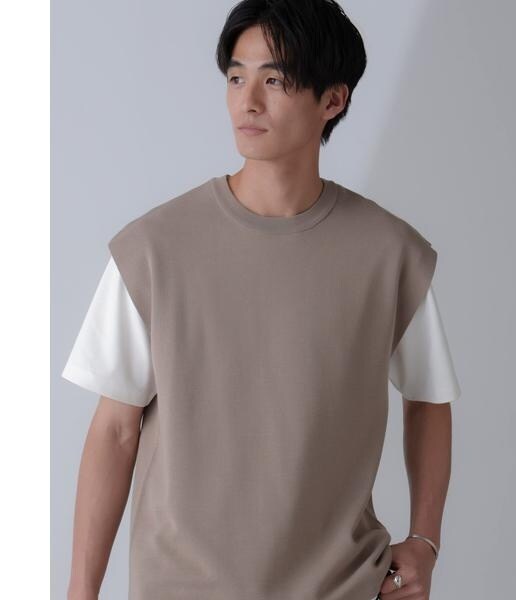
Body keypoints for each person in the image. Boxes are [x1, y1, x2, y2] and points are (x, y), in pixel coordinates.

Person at [61, 1, 461, 599]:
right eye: (236, 77)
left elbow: (429, 399)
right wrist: (80, 592)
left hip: (341, 585)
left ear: (333, 100)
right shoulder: (154, 250)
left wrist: (425, 539)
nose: (246, 102)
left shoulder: (389, 254)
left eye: (274, 80)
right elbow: (115, 431)